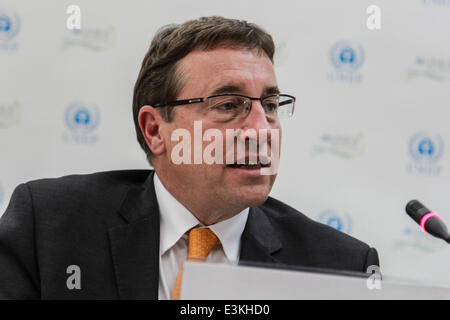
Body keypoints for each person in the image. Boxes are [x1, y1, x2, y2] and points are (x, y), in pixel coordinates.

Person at [0, 16, 379, 300]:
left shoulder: (338, 268)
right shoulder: (49, 226)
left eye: (270, 105)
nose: (261, 129)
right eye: (229, 105)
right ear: (155, 130)